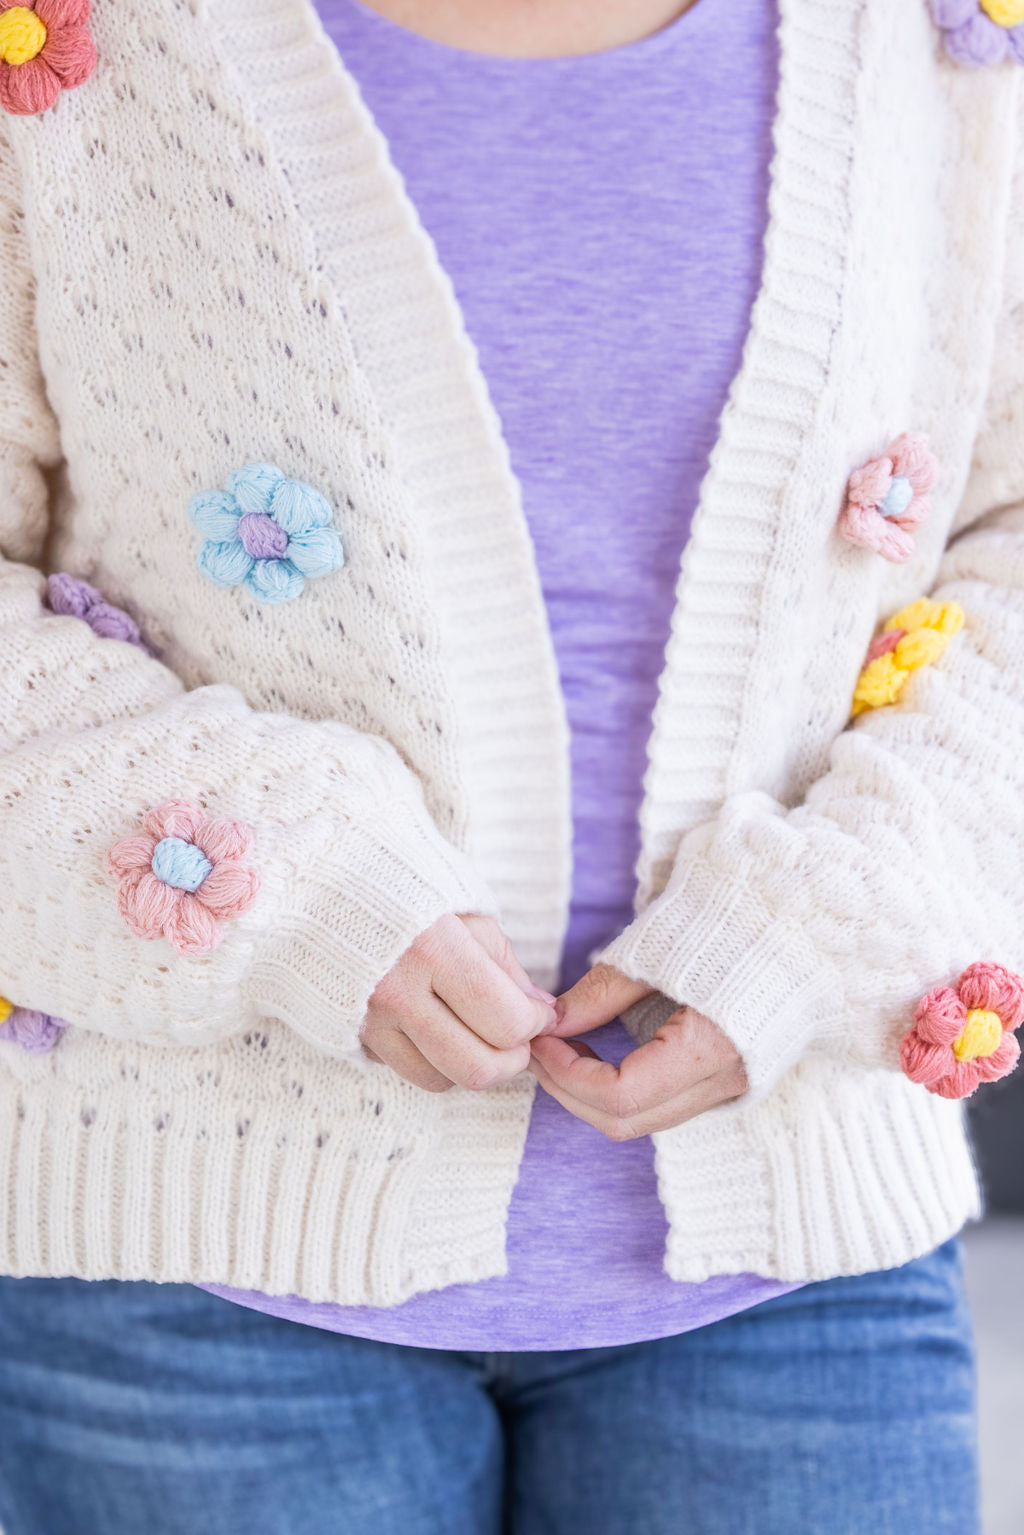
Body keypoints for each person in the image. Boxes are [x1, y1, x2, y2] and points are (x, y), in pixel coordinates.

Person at [0, 0, 1017, 1528]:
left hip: (801, 1273)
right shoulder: (87, 44)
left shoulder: (944, 38)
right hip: (187, 1286)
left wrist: (826, 916)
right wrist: (290, 884)